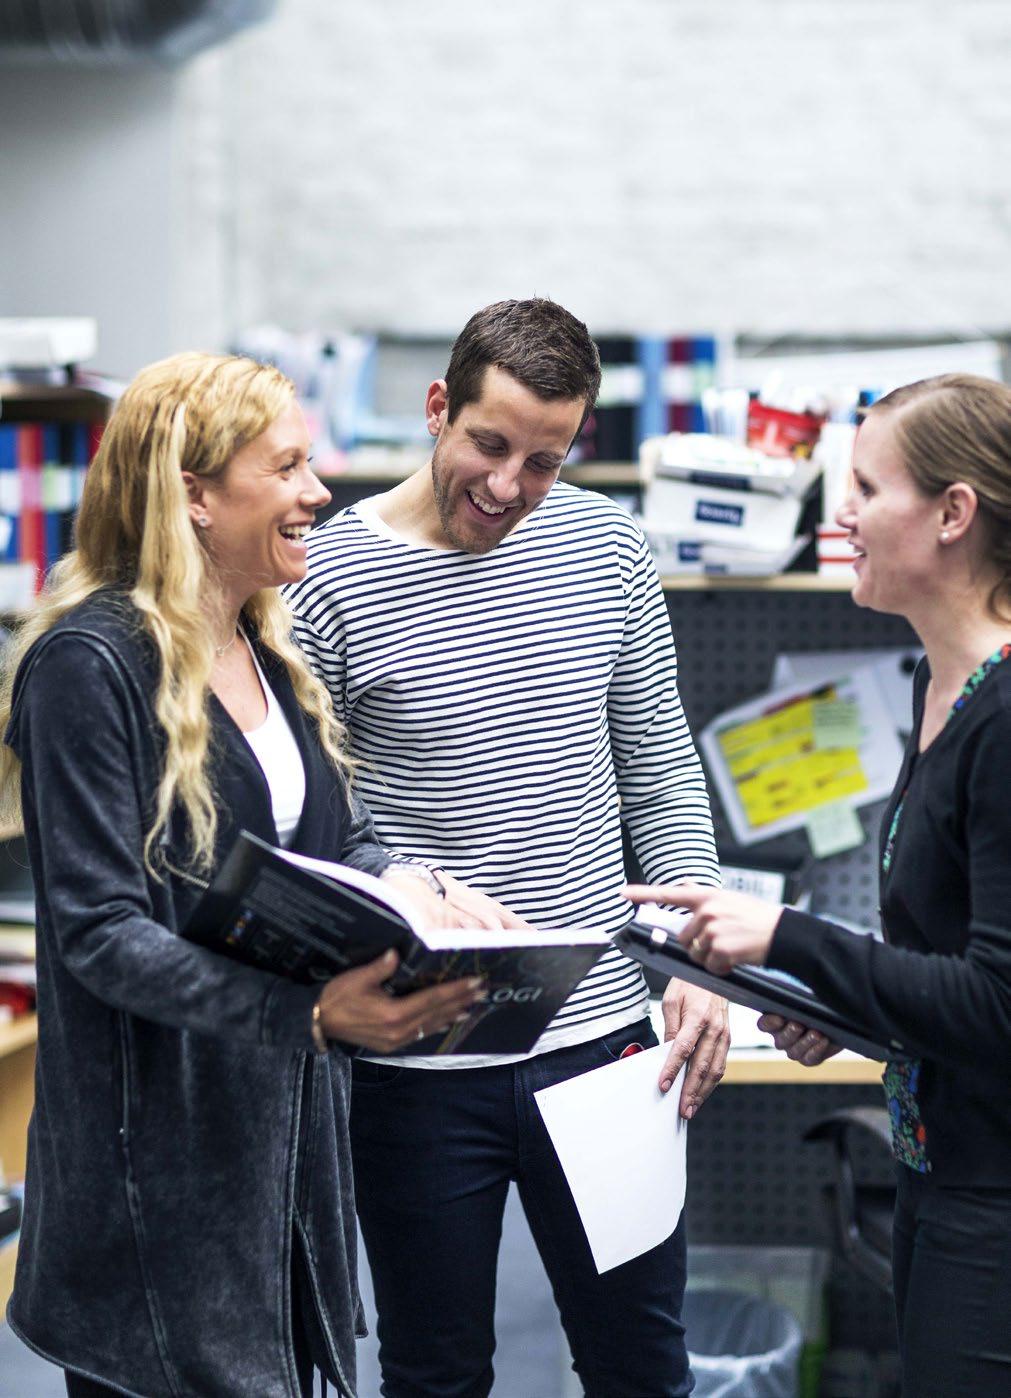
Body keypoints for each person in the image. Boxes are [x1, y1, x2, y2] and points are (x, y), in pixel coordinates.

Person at [0, 352, 482, 1398]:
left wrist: (423, 893)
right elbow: (97, 936)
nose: (320, 494)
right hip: (155, 1173)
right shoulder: (90, 668)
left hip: (278, 1152)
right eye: (291, 466)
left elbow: (334, 848)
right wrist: (306, 1015)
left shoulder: (270, 648)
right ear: (196, 496)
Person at [285, 298, 729, 1398]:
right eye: (489, 444)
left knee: (641, 1366)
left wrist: (701, 946)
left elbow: (662, 768)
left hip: (610, 1047)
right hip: (426, 1048)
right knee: (434, 1376)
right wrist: (400, 879)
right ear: (438, 408)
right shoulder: (326, 580)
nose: (509, 485)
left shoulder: (606, 544)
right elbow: (320, 819)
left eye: (545, 459)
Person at [626, 372, 1011, 1398]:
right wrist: (848, 1006)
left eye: (865, 488)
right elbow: (947, 971)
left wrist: (792, 942)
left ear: (952, 514)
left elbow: (1002, 1004)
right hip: (941, 1167)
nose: (839, 515)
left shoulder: (1006, 719)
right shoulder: (942, 687)